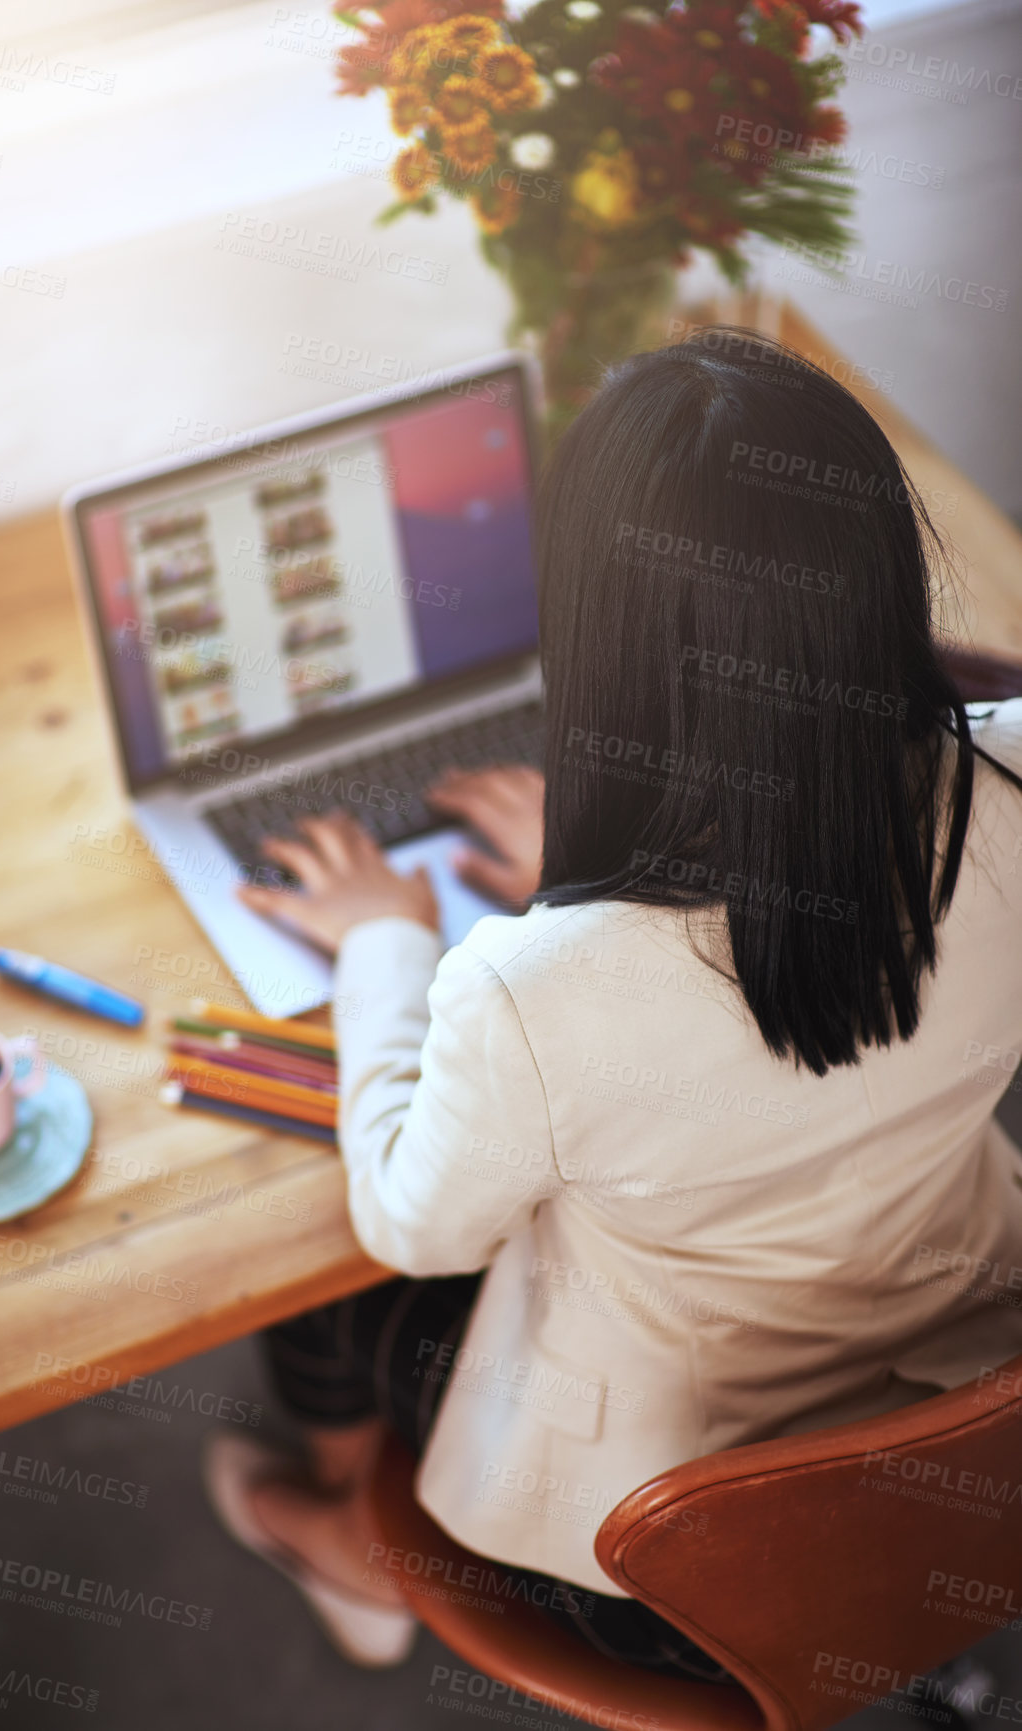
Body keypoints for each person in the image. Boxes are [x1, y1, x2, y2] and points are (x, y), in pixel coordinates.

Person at [202, 330, 1022, 1670]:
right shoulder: (1011, 784)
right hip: (964, 1434)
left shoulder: (530, 996)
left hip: (674, 1563)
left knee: (323, 1269)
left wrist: (384, 947)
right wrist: (613, 884)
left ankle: (358, 1547)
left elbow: (415, 1225)